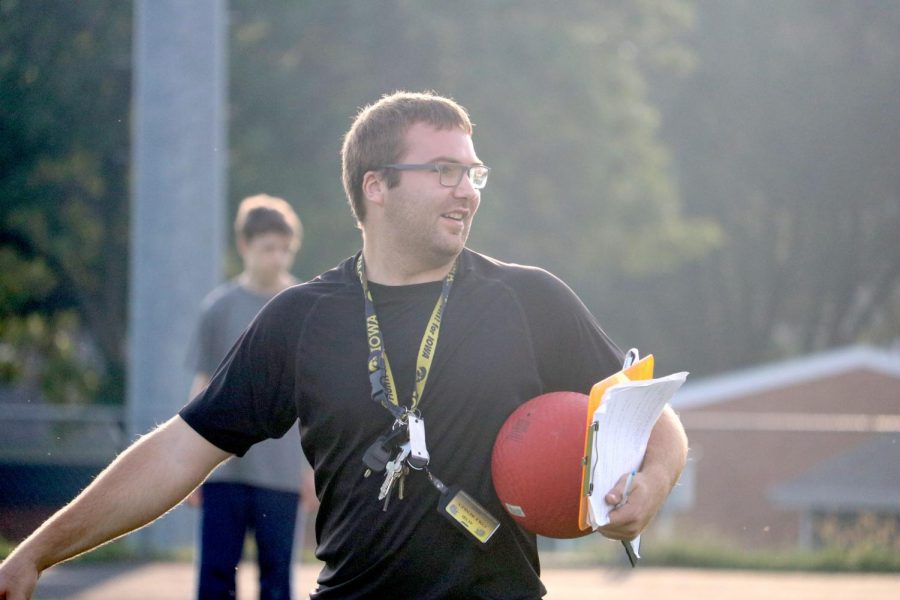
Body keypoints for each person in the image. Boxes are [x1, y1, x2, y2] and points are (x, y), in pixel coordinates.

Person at [0, 91, 688, 600]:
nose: (467, 192)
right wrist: (34, 555)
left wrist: (651, 486)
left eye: (473, 173)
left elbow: (658, 419)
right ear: (377, 185)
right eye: (444, 170)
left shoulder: (531, 298)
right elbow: (179, 450)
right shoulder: (300, 319)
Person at [186, 194, 312, 600]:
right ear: (244, 246)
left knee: (277, 583)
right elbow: (202, 388)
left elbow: (311, 399)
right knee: (215, 577)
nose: (277, 258)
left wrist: (312, 471)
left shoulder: (303, 308)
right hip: (223, 471)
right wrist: (191, 466)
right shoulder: (218, 308)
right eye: (267, 248)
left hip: (282, 471)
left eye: (284, 249)